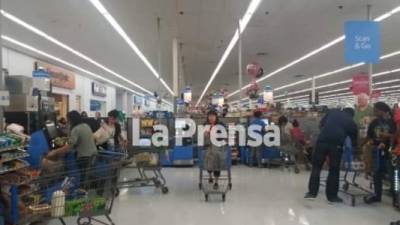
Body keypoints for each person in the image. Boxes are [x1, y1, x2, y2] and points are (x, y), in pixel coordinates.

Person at [305, 108, 358, 203]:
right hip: (336, 145)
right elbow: (354, 141)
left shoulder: (333, 112)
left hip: (322, 142)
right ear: (352, 115)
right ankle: (332, 197)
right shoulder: (351, 122)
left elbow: (321, 125)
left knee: (316, 167)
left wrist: (326, 133)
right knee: (334, 170)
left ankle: (312, 193)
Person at [44, 111, 98, 185]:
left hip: (84, 157)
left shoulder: (76, 129)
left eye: (68, 120)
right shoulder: (86, 125)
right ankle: (83, 189)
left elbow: (68, 147)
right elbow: (75, 140)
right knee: (85, 176)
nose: (67, 122)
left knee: (83, 177)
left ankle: (80, 190)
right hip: (93, 154)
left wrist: (54, 152)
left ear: (71, 120)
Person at [364, 102, 396, 204]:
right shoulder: (374, 122)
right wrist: (366, 143)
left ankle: (396, 198)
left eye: (375, 110)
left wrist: (386, 138)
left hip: (391, 152)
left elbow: (396, 135)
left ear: (381, 110)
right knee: (377, 174)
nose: (374, 112)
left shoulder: (393, 122)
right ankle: (377, 195)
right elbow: (369, 135)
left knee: (393, 176)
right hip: (377, 151)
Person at [203, 110, 226, 190]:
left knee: (217, 160)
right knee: (208, 160)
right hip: (208, 147)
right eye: (210, 116)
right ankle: (210, 176)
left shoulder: (221, 125)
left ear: (216, 117)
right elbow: (202, 138)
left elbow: (223, 137)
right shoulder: (205, 125)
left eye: (213, 116)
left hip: (218, 147)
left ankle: (216, 181)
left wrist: (213, 134)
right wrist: (205, 135)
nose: (211, 118)